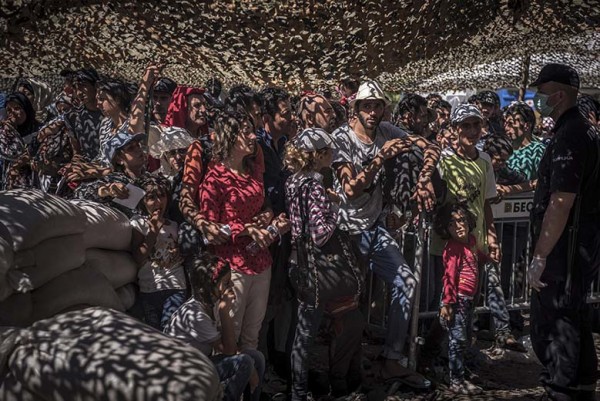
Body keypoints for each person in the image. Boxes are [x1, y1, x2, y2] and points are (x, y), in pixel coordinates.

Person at [331, 80, 435, 389]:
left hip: (374, 227)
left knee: (406, 280)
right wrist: (380, 159)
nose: (373, 112)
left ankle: (392, 360)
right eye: (367, 106)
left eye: (378, 105)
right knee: (348, 310)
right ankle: (341, 377)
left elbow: (429, 146)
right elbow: (351, 190)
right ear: (356, 109)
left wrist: (425, 179)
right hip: (344, 232)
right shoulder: (342, 139)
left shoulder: (389, 131)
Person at [527, 63, 600, 401]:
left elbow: (561, 201)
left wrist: (540, 256)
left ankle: (561, 388)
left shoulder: (571, 134)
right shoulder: (579, 130)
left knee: (557, 320)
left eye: (540, 93)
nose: (536, 99)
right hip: (577, 244)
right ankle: (583, 383)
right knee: (574, 313)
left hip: (565, 247)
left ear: (557, 95)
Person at [285, 128, 364, 400]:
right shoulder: (315, 185)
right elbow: (320, 234)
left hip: (299, 262)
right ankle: (302, 390)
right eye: (330, 150)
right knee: (309, 333)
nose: (333, 154)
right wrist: (335, 209)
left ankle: (299, 389)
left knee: (304, 333)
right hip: (317, 268)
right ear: (319, 155)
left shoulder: (293, 182)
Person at [199, 110, 287, 351]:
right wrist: (246, 229)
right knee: (229, 333)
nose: (253, 137)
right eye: (246, 131)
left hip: (260, 261)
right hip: (232, 266)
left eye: (252, 130)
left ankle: (252, 384)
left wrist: (269, 215)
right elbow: (209, 230)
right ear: (230, 137)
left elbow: (264, 203)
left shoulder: (254, 171)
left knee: (251, 335)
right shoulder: (214, 179)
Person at [164, 253, 264, 401]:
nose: (231, 286)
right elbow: (229, 350)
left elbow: (227, 344)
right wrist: (225, 312)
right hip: (186, 373)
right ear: (210, 286)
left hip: (202, 362)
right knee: (244, 363)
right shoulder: (195, 315)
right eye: (226, 283)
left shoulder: (212, 304)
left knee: (256, 356)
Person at [434, 202, 485, 395]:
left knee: (461, 339)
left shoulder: (470, 241)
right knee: (458, 339)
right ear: (445, 229)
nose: (459, 226)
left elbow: (477, 256)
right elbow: (449, 277)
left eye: (462, 220)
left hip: (468, 300)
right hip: (457, 301)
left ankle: (457, 373)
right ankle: (456, 379)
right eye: (452, 224)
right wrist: (448, 303)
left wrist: (487, 258)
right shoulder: (453, 248)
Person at [131, 173, 187, 330]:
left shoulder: (174, 225)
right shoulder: (139, 224)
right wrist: (153, 231)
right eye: (151, 198)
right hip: (149, 289)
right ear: (143, 202)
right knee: (154, 332)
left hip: (175, 287)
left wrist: (178, 252)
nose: (158, 202)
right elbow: (138, 258)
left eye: (162, 196)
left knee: (169, 329)